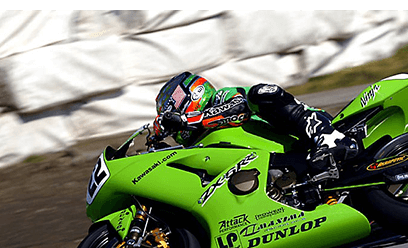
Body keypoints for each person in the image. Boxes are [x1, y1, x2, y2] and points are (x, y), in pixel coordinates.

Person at [153, 72, 358, 175]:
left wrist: (187, 119)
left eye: (171, 107)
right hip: (284, 161)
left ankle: (330, 139)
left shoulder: (221, 97)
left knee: (258, 94)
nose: (169, 114)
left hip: (300, 136)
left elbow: (239, 109)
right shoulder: (201, 142)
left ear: (193, 93)